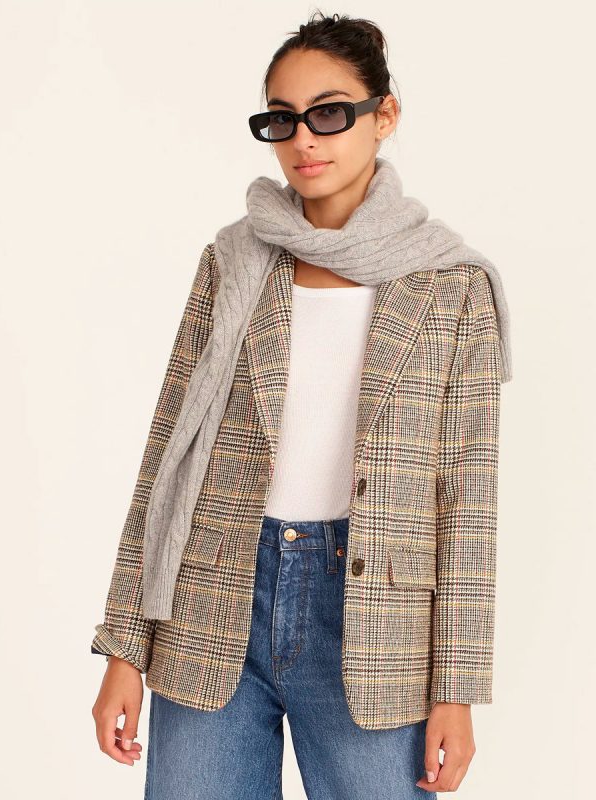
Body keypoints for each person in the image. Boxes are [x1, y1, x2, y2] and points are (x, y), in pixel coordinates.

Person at [91, 10, 508, 799]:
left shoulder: (452, 284)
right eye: (282, 119)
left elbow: (467, 497)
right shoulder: (233, 260)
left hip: (375, 626)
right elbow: (168, 454)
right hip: (213, 601)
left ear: (384, 115)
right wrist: (124, 646)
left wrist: (457, 690)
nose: (304, 139)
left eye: (329, 113)